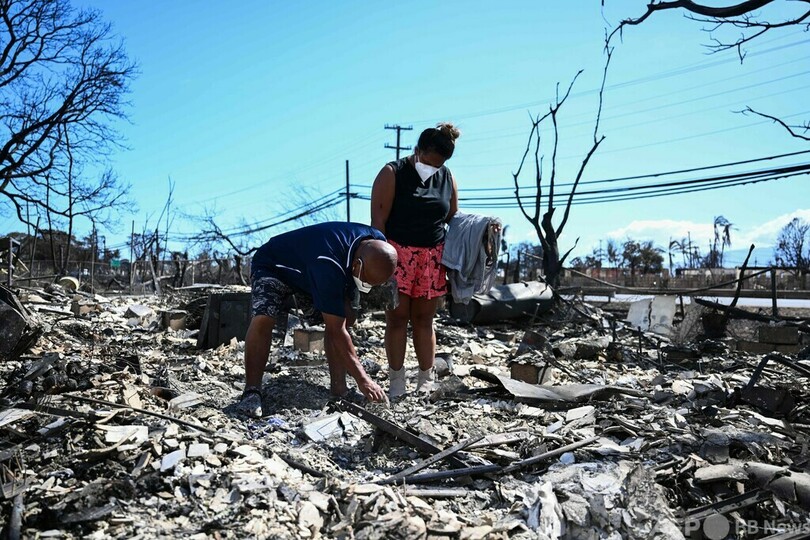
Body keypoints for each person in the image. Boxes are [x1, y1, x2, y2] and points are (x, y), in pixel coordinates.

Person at [236, 221, 397, 417]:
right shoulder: (328, 263)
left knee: (345, 317)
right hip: (274, 265)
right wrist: (364, 380)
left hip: (310, 267)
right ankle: (252, 391)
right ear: (357, 265)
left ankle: (340, 390)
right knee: (264, 317)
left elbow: (340, 324)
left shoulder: (377, 243)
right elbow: (336, 330)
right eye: (366, 282)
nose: (367, 287)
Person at [370, 123, 460, 397]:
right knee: (397, 318)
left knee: (424, 320)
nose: (432, 169)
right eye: (429, 162)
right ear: (417, 150)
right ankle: (396, 380)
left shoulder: (447, 178)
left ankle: (425, 378)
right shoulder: (392, 173)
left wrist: (485, 227)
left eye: (438, 165)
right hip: (397, 255)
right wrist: (381, 263)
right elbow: (378, 221)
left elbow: (454, 219)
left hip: (432, 258)